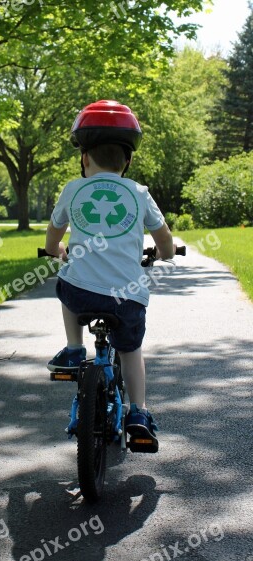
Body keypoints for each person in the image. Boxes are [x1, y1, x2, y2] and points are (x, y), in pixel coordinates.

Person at [44, 100, 175, 452]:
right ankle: (139, 413)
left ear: (85, 158)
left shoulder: (73, 189)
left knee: (66, 281)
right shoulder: (139, 193)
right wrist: (165, 254)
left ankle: (74, 350)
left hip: (82, 294)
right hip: (127, 297)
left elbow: (54, 234)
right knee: (130, 349)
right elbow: (164, 239)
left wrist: (57, 250)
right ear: (127, 161)